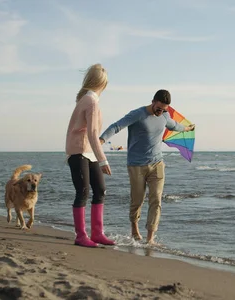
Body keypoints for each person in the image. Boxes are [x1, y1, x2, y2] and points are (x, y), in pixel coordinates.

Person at [99, 89, 195, 245]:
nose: (161, 111)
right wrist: (101, 140)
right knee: (137, 200)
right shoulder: (138, 114)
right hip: (136, 165)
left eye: (164, 108)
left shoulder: (165, 115)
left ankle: (150, 238)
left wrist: (187, 128)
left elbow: (174, 126)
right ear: (153, 101)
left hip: (157, 163)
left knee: (156, 199)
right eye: (159, 107)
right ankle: (134, 228)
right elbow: (116, 126)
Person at [65, 63, 115, 248]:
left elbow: (91, 134)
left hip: (88, 152)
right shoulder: (91, 101)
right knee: (83, 192)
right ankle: (81, 236)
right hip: (79, 151)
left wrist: (97, 157)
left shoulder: (87, 99)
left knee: (100, 190)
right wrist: (103, 159)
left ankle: (97, 233)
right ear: (102, 84)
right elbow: (93, 133)